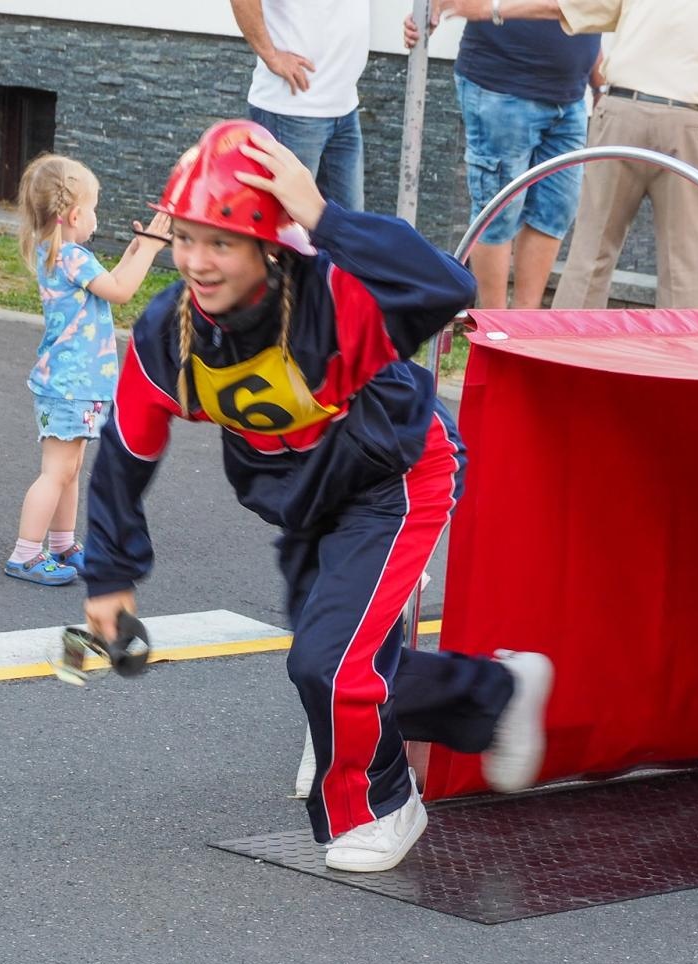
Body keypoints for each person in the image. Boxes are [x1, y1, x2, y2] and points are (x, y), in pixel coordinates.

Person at [80, 121, 553, 872]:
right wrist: (110, 576)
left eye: (222, 243)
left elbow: (445, 288)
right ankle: (495, 693)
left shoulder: (334, 297)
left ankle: (382, 805)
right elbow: (126, 453)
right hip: (305, 504)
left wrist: (325, 217)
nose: (198, 263)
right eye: (186, 238)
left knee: (329, 666)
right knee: (339, 662)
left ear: (268, 242)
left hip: (397, 478)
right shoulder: (169, 335)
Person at [436, 0, 698, 309]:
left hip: (621, 114)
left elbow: (562, 7)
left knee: (590, 253)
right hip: (690, 125)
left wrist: (493, 8)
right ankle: (678, 369)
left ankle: (558, 359)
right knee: (685, 263)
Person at [4, 155, 171, 586]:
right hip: (70, 384)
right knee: (56, 471)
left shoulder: (59, 254)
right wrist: (150, 250)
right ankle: (25, 554)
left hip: (74, 384)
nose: (96, 217)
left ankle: (62, 544)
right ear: (75, 214)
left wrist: (137, 248)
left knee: (70, 469)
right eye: (94, 207)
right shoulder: (73, 257)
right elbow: (121, 291)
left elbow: (108, 283)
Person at [403, 10, 602, 308]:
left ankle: (522, 327)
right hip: (501, 86)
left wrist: (599, 80)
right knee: (498, 212)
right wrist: (431, 8)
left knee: (555, 210)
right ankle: (494, 329)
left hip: (570, 95)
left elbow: (585, 9)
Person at [231, 0, 370, 211]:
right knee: (284, 228)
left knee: (347, 231)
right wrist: (271, 55)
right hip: (291, 111)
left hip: (344, 107)